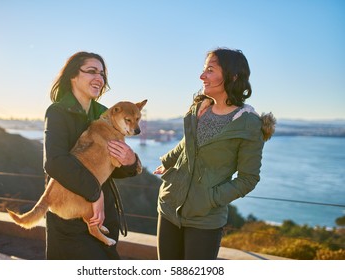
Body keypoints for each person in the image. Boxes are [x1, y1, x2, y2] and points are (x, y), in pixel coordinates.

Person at [154, 47, 276, 260]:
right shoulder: (200, 108)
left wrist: (210, 199)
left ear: (233, 76)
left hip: (205, 219)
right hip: (169, 206)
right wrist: (168, 161)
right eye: (204, 69)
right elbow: (187, 143)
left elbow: (248, 178)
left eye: (210, 70)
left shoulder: (248, 124)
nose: (202, 76)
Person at [43, 51, 142, 259]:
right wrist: (94, 192)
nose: (99, 78)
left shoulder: (106, 113)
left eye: (102, 73)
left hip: (104, 216)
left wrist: (131, 162)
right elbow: (55, 163)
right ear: (73, 75)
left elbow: (111, 165)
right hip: (69, 217)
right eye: (92, 71)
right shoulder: (58, 112)